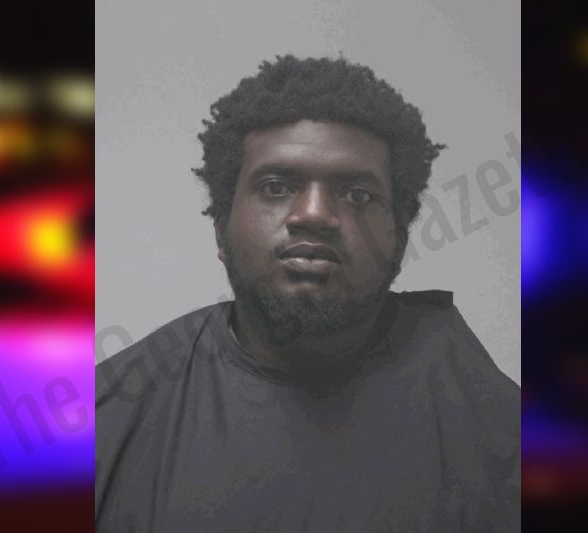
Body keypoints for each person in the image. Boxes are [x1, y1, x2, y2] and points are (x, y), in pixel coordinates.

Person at [96, 55, 519, 532]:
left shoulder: (500, 435)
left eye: (357, 194)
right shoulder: (105, 418)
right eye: (276, 186)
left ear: (399, 238)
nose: (314, 214)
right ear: (221, 229)